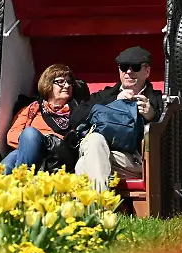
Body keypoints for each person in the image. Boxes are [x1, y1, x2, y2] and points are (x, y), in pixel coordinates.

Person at [69, 46, 165, 191]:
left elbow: (172, 135)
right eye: (124, 67)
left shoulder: (157, 100)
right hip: (100, 150)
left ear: (147, 71)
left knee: (84, 164)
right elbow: (75, 118)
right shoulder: (105, 96)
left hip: (134, 160)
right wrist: (112, 105)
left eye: (135, 67)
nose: (128, 72)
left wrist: (152, 116)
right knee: (95, 141)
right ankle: (101, 206)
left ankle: (94, 209)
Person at [2, 64, 82, 175]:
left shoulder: (78, 111)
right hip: (29, 153)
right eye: (60, 82)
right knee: (13, 157)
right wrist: (33, 143)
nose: (67, 85)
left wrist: (47, 141)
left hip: (57, 157)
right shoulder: (32, 109)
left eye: (69, 82)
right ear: (48, 84)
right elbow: (12, 136)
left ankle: (21, 181)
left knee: (22, 145)